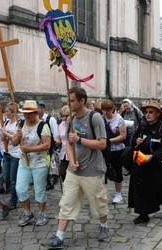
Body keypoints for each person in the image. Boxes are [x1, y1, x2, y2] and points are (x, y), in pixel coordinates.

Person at [42, 87, 111, 249]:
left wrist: (80, 140)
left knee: (98, 202)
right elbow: (69, 144)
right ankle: (59, 238)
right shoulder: (71, 120)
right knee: (66, 202)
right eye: (68, 100)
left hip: (93, 170)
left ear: (82, 101)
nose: (69, 103)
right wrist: (72, 161)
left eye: (72, 100)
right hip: (74, 171)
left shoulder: (95, 118)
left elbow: (102, 144)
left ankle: (104, 227)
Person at [128, 101, 162, 224]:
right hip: (141, 162)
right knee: (140, 187)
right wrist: (137, 140)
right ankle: (143, 214)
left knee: (160, 187)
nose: (147, 115)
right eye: (146, 112)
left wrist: (152, 156)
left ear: (157, 114)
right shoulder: (142, 126)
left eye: (151, 112)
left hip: (157, 163)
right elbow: (133, 140)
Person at [11, 100, 52, 227]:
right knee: (20, 189)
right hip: (24, 162)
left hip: (39, 162)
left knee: (39, 190)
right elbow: (14, 143)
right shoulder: (21, 124)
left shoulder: (42, 126)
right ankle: (27, 212)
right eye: (25, 113)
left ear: (36, 113)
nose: (27, 116)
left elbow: (47, 145)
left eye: (30, 113)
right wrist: (17, 136)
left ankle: (41, 213)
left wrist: (30, 149)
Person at [101, 99, 127, 203]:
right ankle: (103, 193)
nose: (106, 112)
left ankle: (118, 193)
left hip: (117, 149)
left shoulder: (119, 119)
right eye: (104, 110)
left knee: (117, 171)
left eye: (108, 110)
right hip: (104, 149)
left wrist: (109, 141)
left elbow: (123, 136)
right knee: (103, 171)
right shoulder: (100, 119)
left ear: (112, 109)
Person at [0, 102, 21, 210]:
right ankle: (15, 194)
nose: (6, 113)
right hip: (6, 152)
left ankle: (13, 200)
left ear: (13, 112)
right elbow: (4, 138)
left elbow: (15, 138)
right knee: (6, 177)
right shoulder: (7, 122)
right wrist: (2, 133)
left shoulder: (18, 124)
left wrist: (5, 133)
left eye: (7, 111)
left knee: (13, 179)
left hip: (16, 154)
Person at [56, 105, 71, 181]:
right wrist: (56, 143)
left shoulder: (73, 125)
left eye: (67, 116)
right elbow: (59, 136)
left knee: (70, 174)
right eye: (63, 115)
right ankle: (65, 189)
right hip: (63, 153)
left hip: (72, 153)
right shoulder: (61, 125)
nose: (64, 118)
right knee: (61, 173)